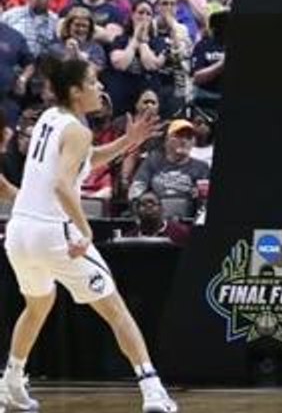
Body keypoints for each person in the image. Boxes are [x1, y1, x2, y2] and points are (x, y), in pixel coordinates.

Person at [2, 57, 178, 411]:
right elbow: (63, 185)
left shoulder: (49, 119)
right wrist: (84, 230)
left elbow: (85, 160)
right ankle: (153, 391)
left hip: (19, 232)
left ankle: (10, 383)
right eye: (93, 82)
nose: (100, 87)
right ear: (75, 91)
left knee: (38, 305)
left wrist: (128, 141)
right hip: (52, 233)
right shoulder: (77, 131)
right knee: (115, 309)